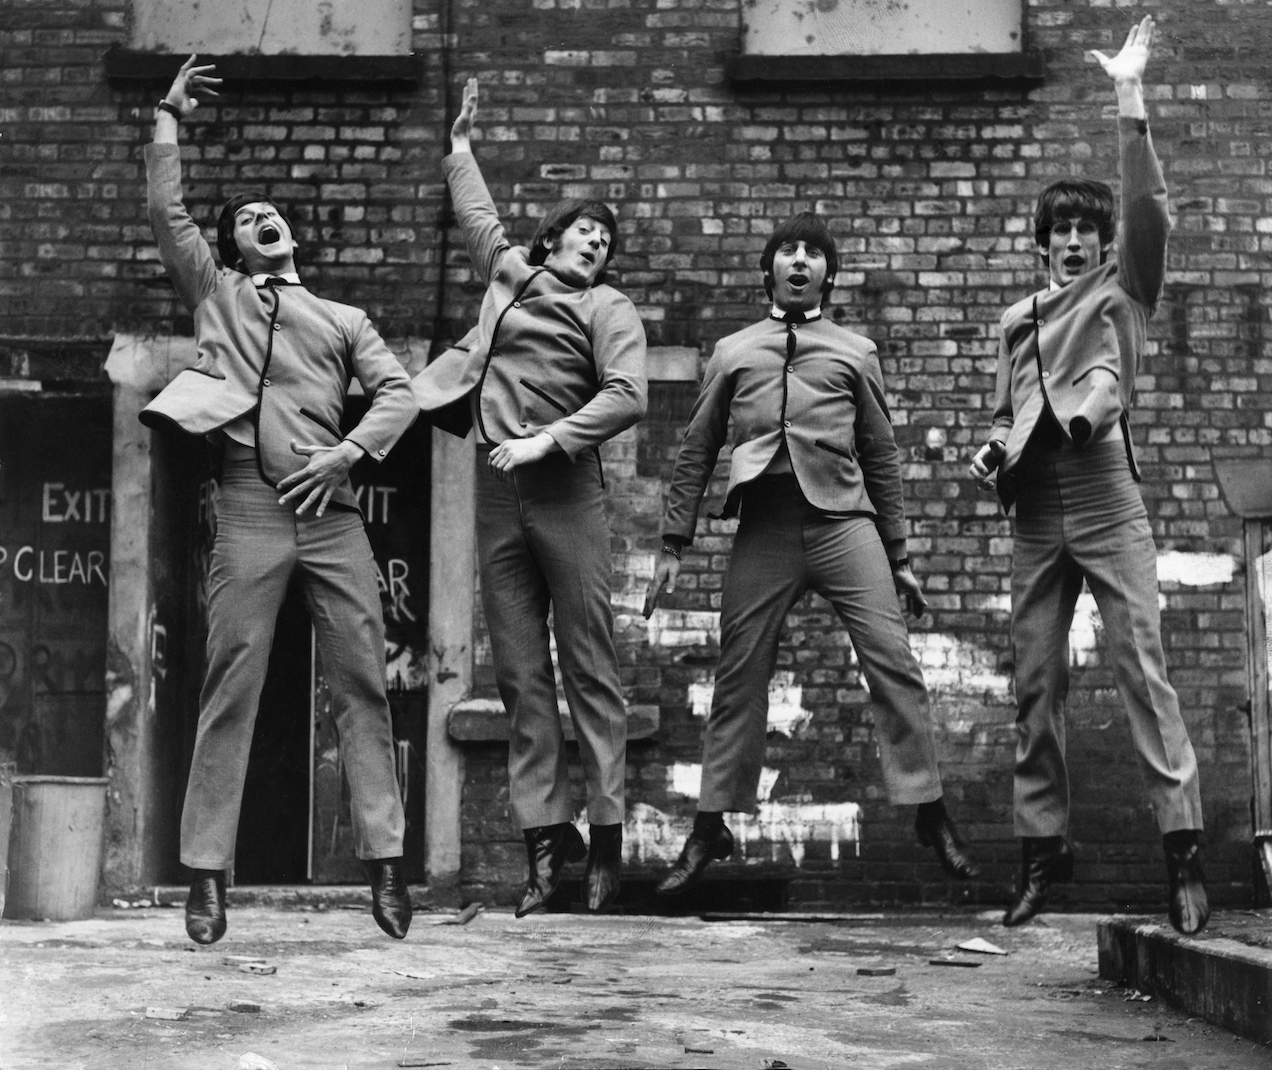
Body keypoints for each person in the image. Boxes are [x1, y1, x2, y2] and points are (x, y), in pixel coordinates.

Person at [141, 57, 416, 945]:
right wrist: (167, 120)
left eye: (272, 215)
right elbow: (167, 213)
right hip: (249, 510)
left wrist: (349, 452)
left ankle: (383, 864)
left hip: (332, 518)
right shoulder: (214, 293)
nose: (263, 218)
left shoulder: (342, 318)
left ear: (292, 238)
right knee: (231, 686)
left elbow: (400, 395)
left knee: (363, 683)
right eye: (246, 219)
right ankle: (208, 875)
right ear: (231, 249)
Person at [643, 211, 977, 896]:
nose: (800, 262)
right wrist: (674, 542)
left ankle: (928, 810)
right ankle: (709, 827)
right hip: (764, 527)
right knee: (738, 675)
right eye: (787, 252)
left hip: (844, 525)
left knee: (893, 661)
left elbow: (881, 456)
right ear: (769, 269)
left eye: (813, 254)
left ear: (829, 273)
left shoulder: (855, 352)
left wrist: (900, 554)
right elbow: (697, 451)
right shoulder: (734, 351)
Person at [968, 17, 1209, 934]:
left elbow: (1148, 207)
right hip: (1036, 508)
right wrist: (990, 446)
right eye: (1060, 231)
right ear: (1040, 244)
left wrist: (1129, 95)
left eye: (1084, 230)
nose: (1074, 242)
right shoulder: (1016, 321)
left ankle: (1183, 854)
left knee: (1142, 669)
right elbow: (1004, 409)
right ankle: (1042, 855)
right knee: (1035, 682)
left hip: (1107, 494)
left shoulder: (1124, 288)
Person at [412, 80, 648, 916]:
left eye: (606, 240)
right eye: (584, 231)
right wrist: (463, 148)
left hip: (564, 492)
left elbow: (626, 395)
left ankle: (607, 842)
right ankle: (547, 849)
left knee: (589, 665)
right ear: (551, 240)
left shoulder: (607, 307)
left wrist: (548, 439)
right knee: (518, 675)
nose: (596, 244)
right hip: (493, 489)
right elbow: (479, 220)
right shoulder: (511, 275)